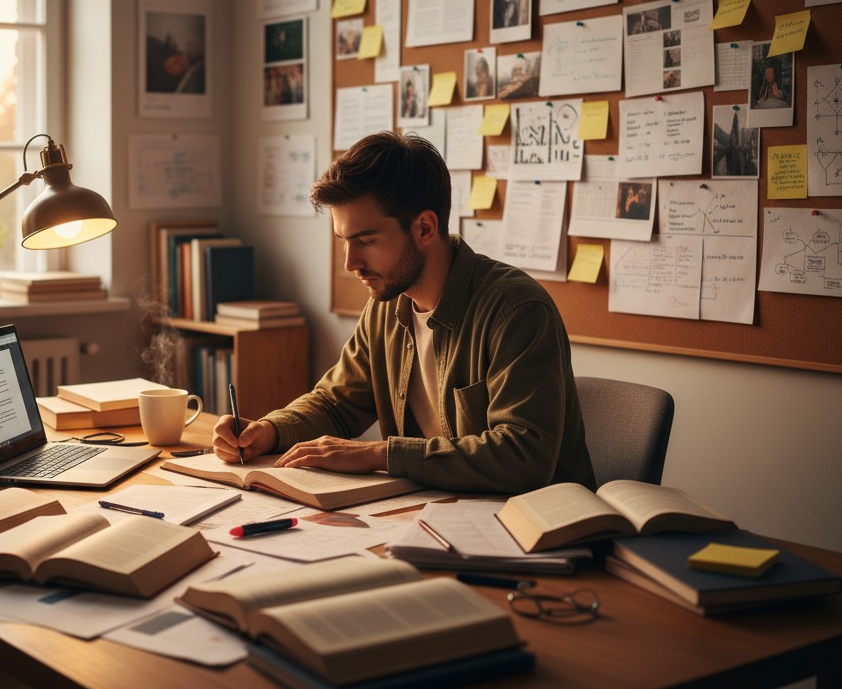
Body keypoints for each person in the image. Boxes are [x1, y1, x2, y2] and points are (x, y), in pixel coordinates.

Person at [212, 131, 595, 494]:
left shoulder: (516, 311)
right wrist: (269, 430)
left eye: (366, 241)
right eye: (344, 241)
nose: (350, 263)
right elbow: (337, 402)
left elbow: (523, 457)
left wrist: (380, 454)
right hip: (432, 512)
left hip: (537, 533)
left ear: (425, 228)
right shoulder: (386, 307)